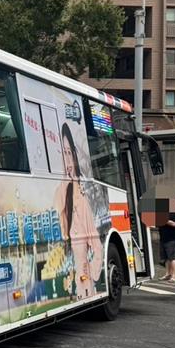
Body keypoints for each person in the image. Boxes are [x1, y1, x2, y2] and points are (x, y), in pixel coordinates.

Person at [54, 123, 104, 301]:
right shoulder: (62, 191)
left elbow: (97, 246)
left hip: (84, 284)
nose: (67, 159)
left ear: (74, 155)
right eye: (64, 153)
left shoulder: (83, 192)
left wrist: (90, 270)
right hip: (73, 285)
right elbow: (59, 224)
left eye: (69, 153)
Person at [159, 204, 175, 282]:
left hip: (171, 239)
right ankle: (168, 274)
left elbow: (174, 224)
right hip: (163, 239)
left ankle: (174, 276)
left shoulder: (174, 214)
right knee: (166, 258)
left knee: (172, 258)